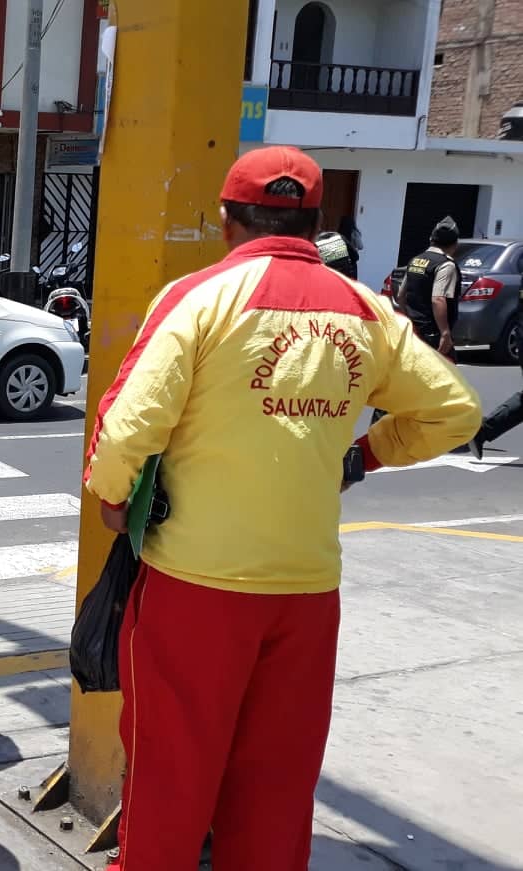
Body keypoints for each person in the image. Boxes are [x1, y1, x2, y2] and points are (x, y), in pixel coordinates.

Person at [84, 146, 480, 871]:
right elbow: (454, 410)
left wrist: (113, 501)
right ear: (313, 221)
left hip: (193, 590)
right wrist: (362, 455)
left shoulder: (199, 299)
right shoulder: (366, 310)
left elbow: (125, 431)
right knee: (275, 796)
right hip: (304, 592)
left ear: (229, 220)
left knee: (170, 788)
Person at [396, 220, 462, 360]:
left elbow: (401, 296)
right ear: (455, 244)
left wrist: (409, 320)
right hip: (433, 335)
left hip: (414, 330)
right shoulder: (446, 265)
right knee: (446, 376)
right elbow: (438, 299)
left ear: (431, 239)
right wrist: (445, 333)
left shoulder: (415, 260)